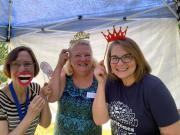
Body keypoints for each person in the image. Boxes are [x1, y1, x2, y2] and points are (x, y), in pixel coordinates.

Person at [93, 27, 180, 135]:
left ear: (137, 58)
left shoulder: (154, 88)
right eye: (115, 58)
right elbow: (99, 120)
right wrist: (101, 84)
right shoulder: (110, 83)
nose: (120, 63)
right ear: (109, 61)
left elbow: (173, 133)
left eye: (126, 57)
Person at [47, 32, 102, 135]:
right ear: (69, 59)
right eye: (77, 55)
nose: (83, 59)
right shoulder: (65, 75)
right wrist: (59, 65)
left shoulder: (99, 78)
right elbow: (51, 98)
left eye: (87, 55)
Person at [0, 46, 52, 135]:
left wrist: (43, 96)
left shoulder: (36, 89)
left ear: (34, 67)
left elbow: (45, 124)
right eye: (16, 64)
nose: (22, 69)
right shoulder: (1, 99)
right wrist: (30, 115)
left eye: (27, 64)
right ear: (9, 68)